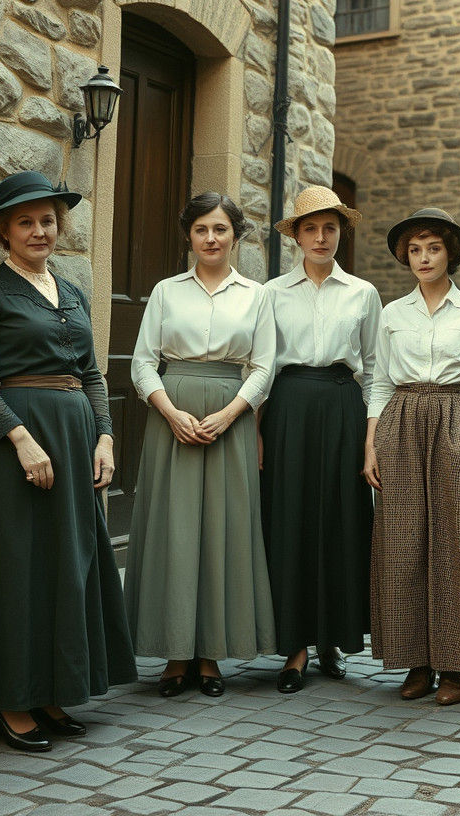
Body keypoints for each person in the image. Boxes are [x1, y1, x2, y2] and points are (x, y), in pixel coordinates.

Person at [0, 170, 137, 752]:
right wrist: (21, 438)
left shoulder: (74, 292)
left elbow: (91, 373)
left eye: (48, 221)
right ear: (3, 232)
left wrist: (104, 437)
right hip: (20, 448)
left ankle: (52, 687)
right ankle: (10, 700)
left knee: (69, 563)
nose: (40, 231)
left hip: (76, 436)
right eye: (26, 222)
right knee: (19, 570)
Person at [124, 192, 276, 699]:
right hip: (173, 417)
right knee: (175, 529)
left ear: (235, 236)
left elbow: (263, 367)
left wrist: (232, 413)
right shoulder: (166, 292)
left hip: (227, 421)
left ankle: (210, 655)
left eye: (221, 230)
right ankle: (174, 654)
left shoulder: (256, 296)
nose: (211, 239)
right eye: (201, 230)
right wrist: (169, 412)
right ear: (188, 236)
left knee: (221, 531)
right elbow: (143, 362)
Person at [364, 207, 460, 706]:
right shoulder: (392, 313)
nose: (423, 258)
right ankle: (416, 663)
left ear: (451, 253)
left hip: (453, 419)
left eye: (433, 248)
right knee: (403, 544)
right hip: (400, 424)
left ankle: (454, 667)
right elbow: (379, 381)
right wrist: (371, 445)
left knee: (456, 546)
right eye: (415, 250)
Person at [261, 186, 382, 692]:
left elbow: (375, 372)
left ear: (340, 232)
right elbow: (262, 367)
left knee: (339, 519)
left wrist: (371, 440)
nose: (320, 237)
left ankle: (333, 637)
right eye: (310, 228)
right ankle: (294, 646)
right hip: (287, 408)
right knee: (290, 520)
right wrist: (258, 434)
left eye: (329, 228)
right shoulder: (272, 293)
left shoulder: (363, 294)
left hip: (341, 406)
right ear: (296, 236)